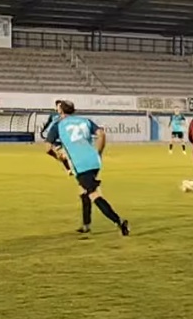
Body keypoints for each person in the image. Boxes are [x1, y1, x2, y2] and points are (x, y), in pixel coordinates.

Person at [44, 100, 130, 236]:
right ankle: (86, 225)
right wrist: (99, 152)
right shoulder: (85, 120)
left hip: (80, 164)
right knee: (83, 192)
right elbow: (101, 134)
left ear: (60, 110)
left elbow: (48, 148)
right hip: (94, 161)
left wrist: (58, 157)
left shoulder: (58, 125)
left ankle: (119, 221)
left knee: (94, 194)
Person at [40, 100, 72, 174]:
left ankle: (69, 169)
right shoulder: (53, 114)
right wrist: (43, 130)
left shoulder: (65, 115)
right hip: (53, 135)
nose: (59, 107)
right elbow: (48, 122)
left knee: (62, 154)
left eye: (61, 106)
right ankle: (62, 160)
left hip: (62, 135)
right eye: (58, 105)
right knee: (49, 151)